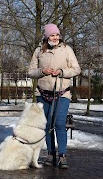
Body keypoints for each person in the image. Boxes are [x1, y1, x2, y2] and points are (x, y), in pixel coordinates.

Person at [28, 23, 81, 169]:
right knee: (48, 124)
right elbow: (30, 72)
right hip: (43, 93)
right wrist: (42, 71)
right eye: (52, 35)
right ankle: (51, 154)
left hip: (62, 93)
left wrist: (63, 72)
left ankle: (62, 155)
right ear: (46, 36)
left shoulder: (66, 50)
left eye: (57, 35)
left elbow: (76, 69)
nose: (56, 37)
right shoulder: (39, 51)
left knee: (59, 123)